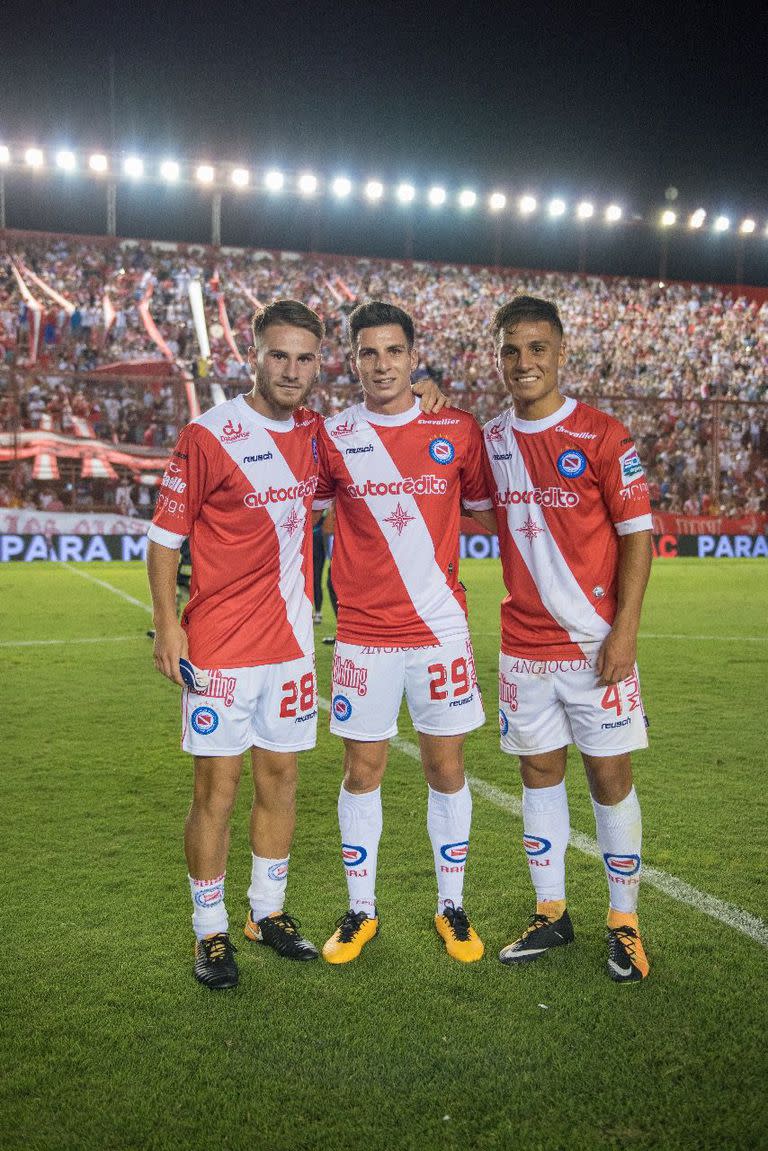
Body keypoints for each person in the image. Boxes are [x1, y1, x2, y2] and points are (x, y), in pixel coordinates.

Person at [147, 299, 326, 990]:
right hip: (219, 648)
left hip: (289, 646)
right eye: (278, 355)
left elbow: (386, 428)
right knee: (216, 790)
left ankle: (267, 912)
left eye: (304, 357)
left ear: (317, 363)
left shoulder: (317, 434)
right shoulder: (208, 433)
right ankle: (210, 930)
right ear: (253, 355)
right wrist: (169, 623)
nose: (290, 369)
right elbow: (165, 541)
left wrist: (426, 389)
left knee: (280, 778)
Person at [477, 295, 653, 982]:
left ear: (560, 352)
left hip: (594, 648)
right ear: (500, 358)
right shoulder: (490, 440)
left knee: (609, 776)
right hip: (523, 648)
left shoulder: (604, 435)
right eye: (512, 350)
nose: (524, 363)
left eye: (537, 348)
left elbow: (639, 537)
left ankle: (625, 922)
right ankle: (552, 911)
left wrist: (625, 632)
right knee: (538, 774)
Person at [314, 301, 490, 965]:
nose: (382, 364)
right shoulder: (332, 436)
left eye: (394, 351)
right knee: (364, 770)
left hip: (441, 631)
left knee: (447, 767)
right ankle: (360, 908)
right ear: (353, 360)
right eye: (368, 353)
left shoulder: (457, 428)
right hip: (363, 635)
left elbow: (487, 509)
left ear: (414, 357)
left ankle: (453, 906)